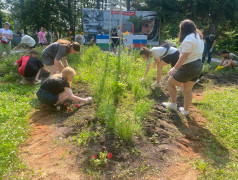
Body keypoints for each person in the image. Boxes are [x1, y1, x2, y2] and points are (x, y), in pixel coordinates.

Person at [162, 19, 204, 116]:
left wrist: (174, 68)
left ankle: (173, 104)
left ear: (183, 29)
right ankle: (185, 110)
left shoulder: (189, 38)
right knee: (187, 89)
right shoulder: (198, 36)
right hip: (198, 66)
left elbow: (184, 56)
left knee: (170, 83)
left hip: (189, 66)